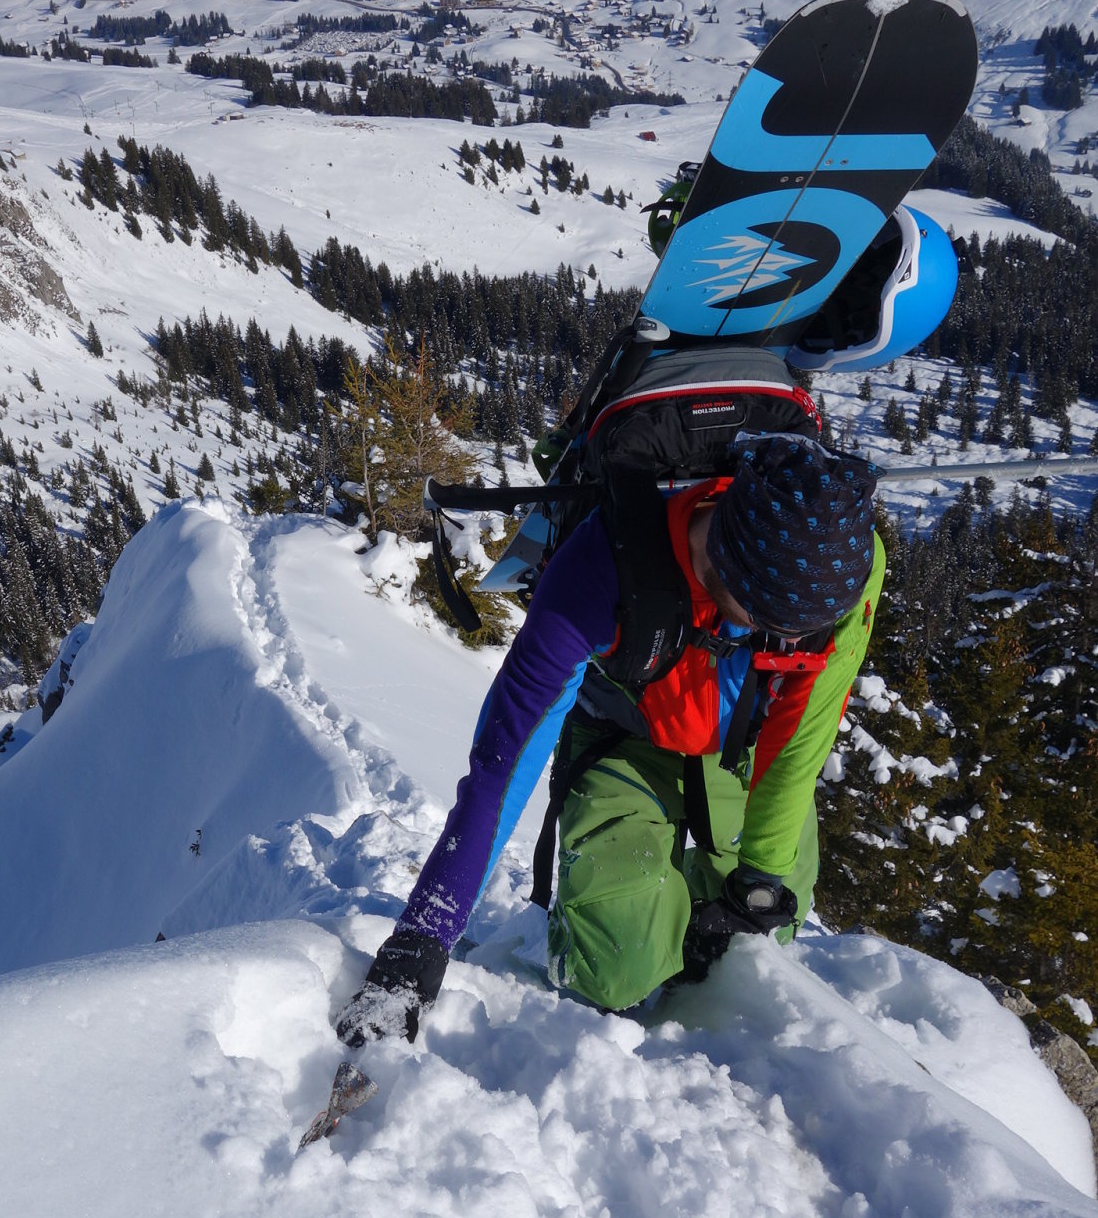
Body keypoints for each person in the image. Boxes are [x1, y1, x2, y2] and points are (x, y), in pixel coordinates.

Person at [335, 433, 884, 1044]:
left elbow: (799, 739)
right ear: (726, 561)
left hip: (737, 749)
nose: (793, 641)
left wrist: (757, 884)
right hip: (622, 742)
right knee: (616, 968)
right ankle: (602, 925)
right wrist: (423, 938)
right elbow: (501, 768)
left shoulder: (847, 574)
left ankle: (688, 912)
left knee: (768, 932)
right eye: (771, 623)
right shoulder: (595, 577)